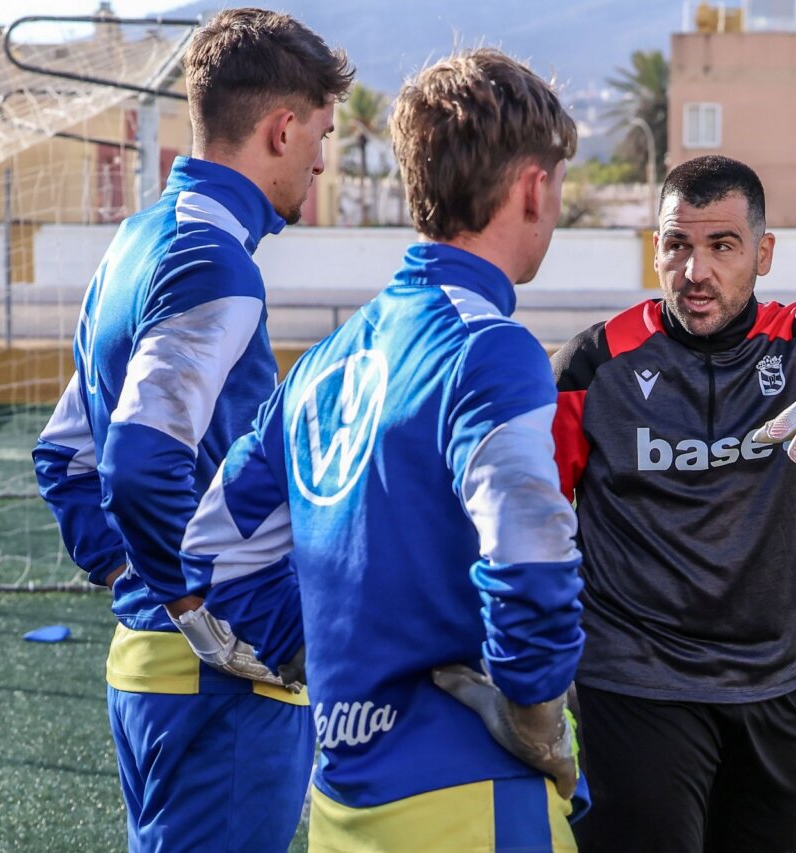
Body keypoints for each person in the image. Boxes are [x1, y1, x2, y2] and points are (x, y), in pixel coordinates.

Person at [180, 48, 586, 852]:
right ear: (534, 188)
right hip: (471, 803)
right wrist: (534, 715)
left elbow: (214, 551)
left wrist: (332, 670)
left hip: (341, 805)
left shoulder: (323, 362)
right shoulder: (490, 346)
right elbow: (533, 556)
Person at [31, 9, 353, 850]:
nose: (321, 159)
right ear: (282, 129)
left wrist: (140, 587)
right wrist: (199, 611)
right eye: (320, 135)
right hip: (218, 681)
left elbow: (63, 455)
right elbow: (137, 463)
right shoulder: (215, 259)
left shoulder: (136, 240)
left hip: (147, 669)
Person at [550, 155, 796, 853]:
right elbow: (525, 512)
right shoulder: (593, 366)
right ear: (655, 249)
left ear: (762, 253)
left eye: (723, 246)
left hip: (769, 683)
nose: (696, 271)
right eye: (678, 245)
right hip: (633, 683)